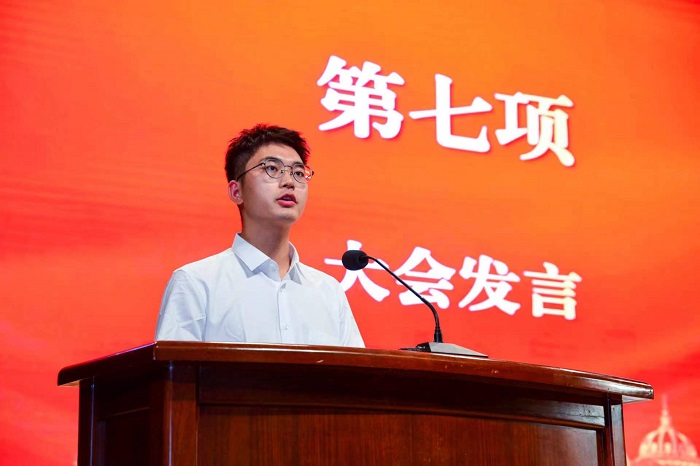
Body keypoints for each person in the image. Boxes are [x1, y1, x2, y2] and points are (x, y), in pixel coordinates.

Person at [155, 124, 364, 347]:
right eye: (272, 168)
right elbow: (175, 368)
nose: (289, 182)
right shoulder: (196, 283)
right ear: (237, 191)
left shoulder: (329, 291)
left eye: (298, 173)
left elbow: (355, 370)